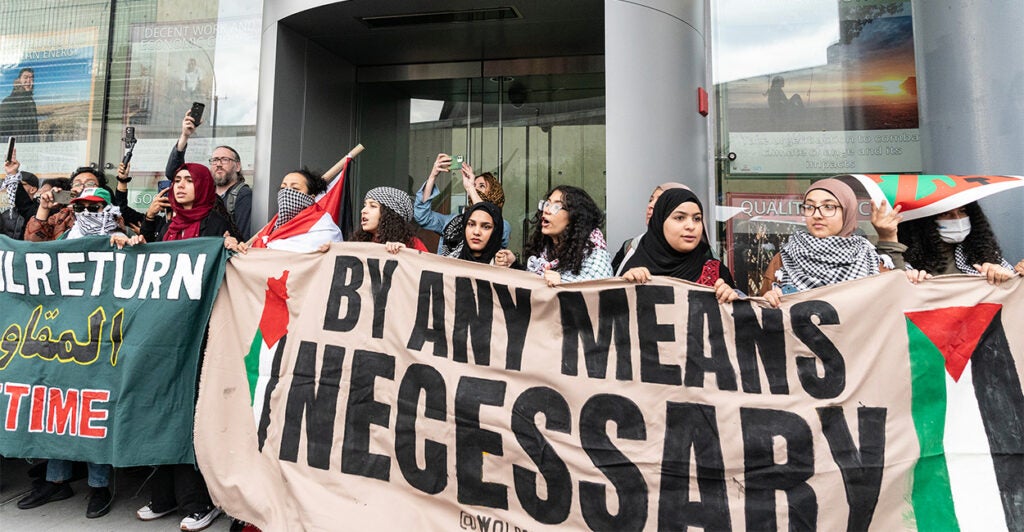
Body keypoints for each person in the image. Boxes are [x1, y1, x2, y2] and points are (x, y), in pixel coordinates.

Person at [15, 188, 132, 519]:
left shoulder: (120, 234)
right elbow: (33, 252)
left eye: (94, 206)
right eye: (80, 205)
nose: (86, 210)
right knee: (58, 407)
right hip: (62, 332)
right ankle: (56, 480)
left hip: (102, 335)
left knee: (93, 410)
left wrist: (127, 241)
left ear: (106, 208)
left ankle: (98, 486)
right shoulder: (66, 233)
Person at [134, 163, 236, 531]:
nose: (179, 186)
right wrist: (137, 235)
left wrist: (230, 249)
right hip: (161, 334)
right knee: (161, 412)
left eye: (188, 180)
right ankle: (164, 496)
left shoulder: (215, 224)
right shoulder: (165, 222)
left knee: (189, 416)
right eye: (176, 180)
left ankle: (199, 501)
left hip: (197, 337)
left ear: (205, 186)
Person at [759, 177, 906, 307]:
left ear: (847, 211)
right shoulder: (785, 259)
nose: (817, 215)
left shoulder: (870, 259)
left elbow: (897, 303)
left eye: (829, 207)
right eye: (809, 207)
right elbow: (761, 317)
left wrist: (888, 237)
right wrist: (767, 301)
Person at [620, 188, 739, 303]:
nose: (691, 226)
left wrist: (731, 298)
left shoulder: (717, 273)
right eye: (680, 218)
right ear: (660, 222)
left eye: (697, 219)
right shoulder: (635, 271)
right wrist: (623, 287)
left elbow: (737, 320)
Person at [166, 109, 252, 239]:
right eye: (215, 160)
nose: (218, 164)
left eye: (225, 160)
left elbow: (243, 238)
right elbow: (174, 172)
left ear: (238, 166)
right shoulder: (206, 195)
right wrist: (185, 135)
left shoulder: (243, 195)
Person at [227, 167, 344, 253]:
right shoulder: (270, 228)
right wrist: (244, 250)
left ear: (311, 197)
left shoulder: (323, 228)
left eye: (295, 188)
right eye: (283, 188)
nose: (287, 192)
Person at [898, 202, 1018, 285]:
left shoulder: (984, 254)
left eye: (962, 211)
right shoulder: (907, 259)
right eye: (945, 214)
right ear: (925, 220)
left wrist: (1006, 277)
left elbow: (1012, 290)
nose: (957, 218)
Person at [415, 153, 511, 253]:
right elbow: (423, 217)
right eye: (474, 184)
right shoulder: (453, 221)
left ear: (494, 193)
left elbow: (489, 219)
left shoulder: (503, 225)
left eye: (481, 186)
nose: (475, 188)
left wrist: (470, 188)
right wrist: (432, 176)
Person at [522, 185, 613, 286]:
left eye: (556, 207)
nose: (546, 210)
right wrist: (513, 264)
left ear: (575, 216)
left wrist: (562, 286)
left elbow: (599, 296)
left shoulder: (596, 258)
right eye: (547, 204)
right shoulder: (544, 249)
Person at [611, 181, 687, 274]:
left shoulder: (702, 258)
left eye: (660, 201)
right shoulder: (631, 245)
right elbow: (612, 283)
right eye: (651, 200)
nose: (651, 205)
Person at [24, 166, 110, 241]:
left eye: (90, 183)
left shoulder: (110, 216)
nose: (82, 187)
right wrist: (44, 208)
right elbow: (33, 243)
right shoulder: (62, 216)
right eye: (77, 183)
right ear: (71, 190)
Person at [351, 186, 428, 253]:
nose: (363, 211)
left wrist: (406, 254)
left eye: (373, 206)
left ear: (390, 214)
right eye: (365, 205)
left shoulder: (413, 244)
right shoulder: (357, 243)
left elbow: (427, 266)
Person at [440, 201, 508, 265]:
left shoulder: (507, 267)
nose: (476, 232)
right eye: (471, 224)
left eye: (486, 227)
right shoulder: (448, 263)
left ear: (496, 232)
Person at [1, 152, 37, 239]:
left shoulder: (41, 211)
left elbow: (25, 206)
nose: (12, 187)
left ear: (33, 189)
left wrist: (13, 175)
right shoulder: (6, 214)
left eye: (20, 184)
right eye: (9, 184)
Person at [0, 67, 39, 139]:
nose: (29, 81)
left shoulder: (31, 102)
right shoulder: (8, 102)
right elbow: (2, 132)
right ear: (19, 80)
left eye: (31, 78)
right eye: (25, 77)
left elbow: (35, 130)